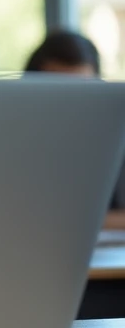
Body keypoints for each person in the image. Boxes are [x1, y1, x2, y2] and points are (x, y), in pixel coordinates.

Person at [24, 29, 125, 229]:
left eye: (83, 92)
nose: (72, 106)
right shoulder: (18, 147)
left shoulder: (115, 140)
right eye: (59, 93)